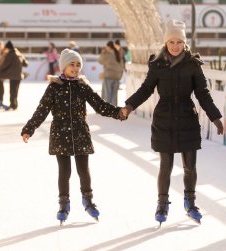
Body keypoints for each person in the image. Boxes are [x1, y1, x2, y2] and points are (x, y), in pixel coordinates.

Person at [121, 19, 224, 225]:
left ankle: (190, 202)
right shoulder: (157, 64)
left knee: (190, 168)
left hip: (187, 119)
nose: (175, 46)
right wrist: (129, 106)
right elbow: (145, 89)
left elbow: (203, 94)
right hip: (164, 121)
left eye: (179, 42)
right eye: (171, 42)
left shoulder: (193, 64)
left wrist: (215, 117)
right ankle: (162, 203)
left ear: (184, 43)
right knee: (165, 166)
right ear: (165, 43)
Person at [21, 48, 126, 225]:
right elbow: (42, 110)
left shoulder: (82, 86)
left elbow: (99, 105)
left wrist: (118, 113)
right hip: (60, 134)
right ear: (63, 67)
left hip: (80, 133)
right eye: (72, 64)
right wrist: (29, 128)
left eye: (78, 65)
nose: (76, 68)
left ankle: (88, 199)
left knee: (83, 170)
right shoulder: (54, 87)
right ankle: (64, 204)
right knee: (65, 171)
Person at [0, 41, 27, 111]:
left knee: (12, 91)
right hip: (19, 75)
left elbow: (5, 64)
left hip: (13, 76)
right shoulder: (18, 53)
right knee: (15, 91)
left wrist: (0, 70)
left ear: (8, 48)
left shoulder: (11, 54)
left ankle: (12, 105)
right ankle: (14, 105)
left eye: (6, 48)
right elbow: (25, 63)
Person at [98, 40, 124, 106]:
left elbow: (100, 61)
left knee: (107, 94)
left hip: (108, 76)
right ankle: (114, 109)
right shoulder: (118, 53)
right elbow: (122, 64)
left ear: (109, 46)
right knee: (114, 95)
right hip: (117, 76)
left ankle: (107, 109)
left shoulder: (108, 54)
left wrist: (103, 53)